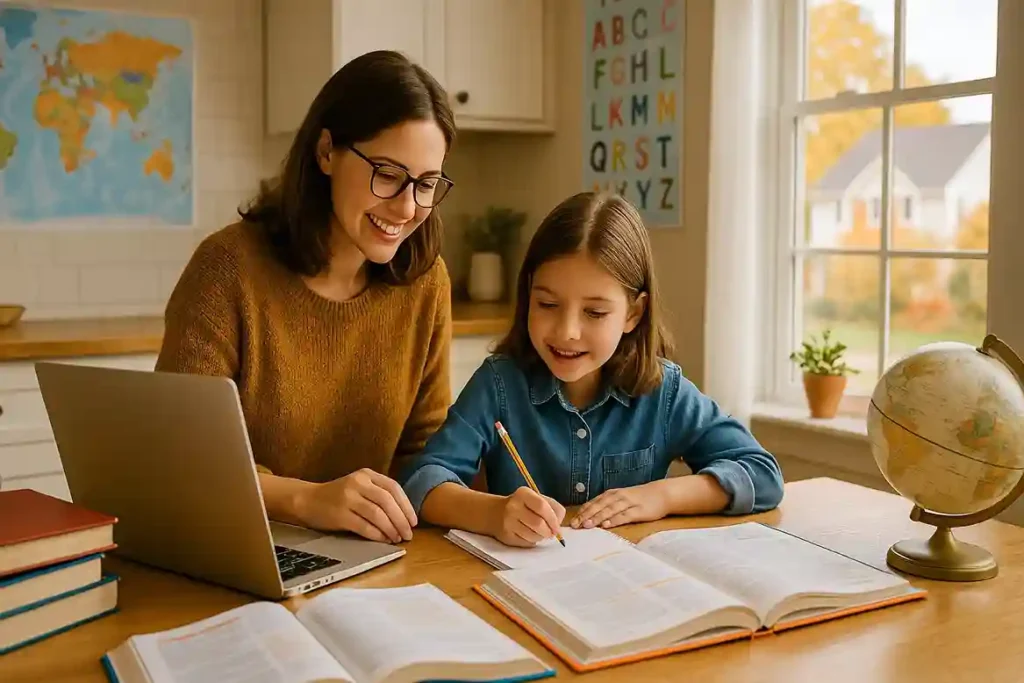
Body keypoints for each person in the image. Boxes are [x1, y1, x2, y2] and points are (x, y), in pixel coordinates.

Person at [156, 50, 458, 545]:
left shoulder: (427, 282)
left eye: (426, 184)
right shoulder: (227, 269)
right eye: (387, 172)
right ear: (325, 152)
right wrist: (308, 500)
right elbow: (181, 457)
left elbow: (424, 452)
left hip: (370, 556)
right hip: (233, 545)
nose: (407, 207)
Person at [400, 191, 784, 547]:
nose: (567, 332)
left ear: (633, 313)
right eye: (547, 305)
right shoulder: (499, 384)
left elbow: (762, 474)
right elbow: (423, 482)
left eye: (595, 312)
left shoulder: (663, 392)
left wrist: (662, 496)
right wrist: (493, 513)